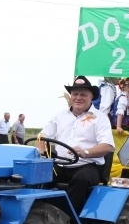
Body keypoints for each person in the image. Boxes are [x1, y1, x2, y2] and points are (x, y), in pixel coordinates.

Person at [37, 75, 115, 212]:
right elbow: (42, 137)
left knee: (82, 179)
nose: (78, 97)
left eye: (83, 94)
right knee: (36, 174)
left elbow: (107, 146)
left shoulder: (100, 119)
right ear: (70, 96)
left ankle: (67, 217)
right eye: (75, 94)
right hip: (60, 164)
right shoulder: (59, 116)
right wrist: (42, 154)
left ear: (91, 97)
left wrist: (86, 152)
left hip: (86, 165)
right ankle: (39, 211)